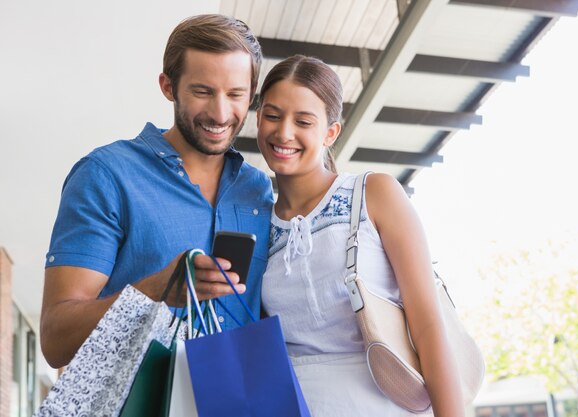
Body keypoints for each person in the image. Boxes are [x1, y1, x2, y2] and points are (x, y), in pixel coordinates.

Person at [41, 14, 274, 368]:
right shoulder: (107, 175)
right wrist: (155, 291)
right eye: (202, 91)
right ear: (168, 86)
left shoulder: (258, 191)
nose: (220, 112)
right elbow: (55, 340)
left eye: (236, 94)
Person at [256, 55, 464, 416]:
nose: (284, 132)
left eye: (303, 121)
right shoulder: (257, 224)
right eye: (272, 115)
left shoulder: (374, 193)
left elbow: (429, 324)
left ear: (330, 132)